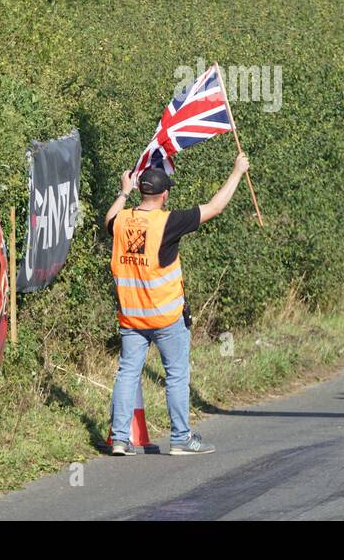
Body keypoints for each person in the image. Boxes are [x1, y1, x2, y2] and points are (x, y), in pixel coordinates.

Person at [103, 152, 251, 456]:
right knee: (176, 375)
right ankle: (181, 439)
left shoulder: (122, 221)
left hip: (131, 318)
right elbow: (215, 207)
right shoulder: (168, 222)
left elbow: (109, 219)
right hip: (166, 316)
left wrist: (123, 191)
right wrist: (237, 171)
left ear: (143, 191)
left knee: (128, 373)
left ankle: (120, 438)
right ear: (165, 194)